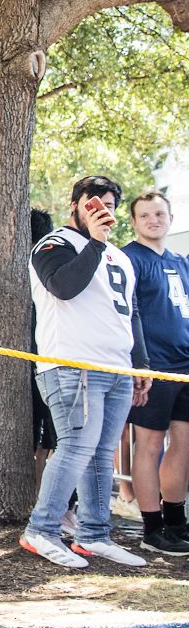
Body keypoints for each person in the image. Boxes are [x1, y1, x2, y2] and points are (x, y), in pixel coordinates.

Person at [20, 175, 151, 568]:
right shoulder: (54, 243)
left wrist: (140, 364)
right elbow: (62, 287)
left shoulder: (121, 257)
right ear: (74, 204)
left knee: (102, 453)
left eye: (108, 204)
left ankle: (93, 534)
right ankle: (41, 530)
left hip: (117, 367)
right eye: (92, 203)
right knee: (76, 447)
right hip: (72, 365)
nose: (100, 210)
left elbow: (131, 313)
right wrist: (94, 241)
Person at [120, 191, 189, 555]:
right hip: (152, 367)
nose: (153, 220)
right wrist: (138, 365)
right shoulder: (129, 258)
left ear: (170, 218)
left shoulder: (181, 262)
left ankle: (176, 521)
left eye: (159, 214)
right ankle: (152, 526)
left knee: (184, 443)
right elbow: (127, 315)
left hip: (185, 367)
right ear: (134, 221)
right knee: (148, 444)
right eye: (145, 215)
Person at [29, 209, 59, 492]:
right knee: (48, 438)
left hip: (37, 360)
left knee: (45, 437)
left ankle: (39, 493)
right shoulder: (50, 265)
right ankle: (40, 493)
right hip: (46, 359)